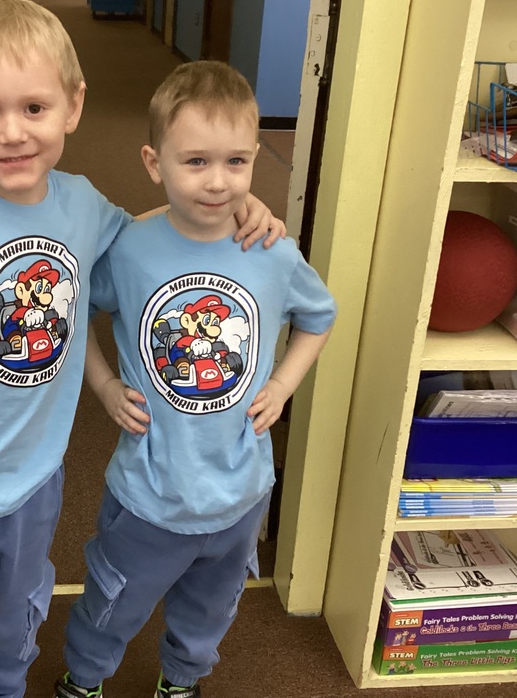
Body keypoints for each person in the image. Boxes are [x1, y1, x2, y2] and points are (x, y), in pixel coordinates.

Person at [0, 0, 284, 698]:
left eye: (34, 109)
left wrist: (236, 206)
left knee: (13, 629)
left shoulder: (82, 205)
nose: (13, 133)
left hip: (30, 484)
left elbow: (154, 230)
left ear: (73, 106)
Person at [54, 61, 337, 698]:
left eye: (237, 162)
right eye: (196, 162)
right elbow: (71, 314)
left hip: (241, 491)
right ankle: (85, 680)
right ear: (155, 163)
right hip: (150, 492)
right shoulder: (129, 248)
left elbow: (319, 317)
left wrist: (284, 385)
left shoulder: (271, 251)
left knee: (211, 609)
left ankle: (180, 682)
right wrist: (101, 386)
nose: (218, 182)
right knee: (112, 601)